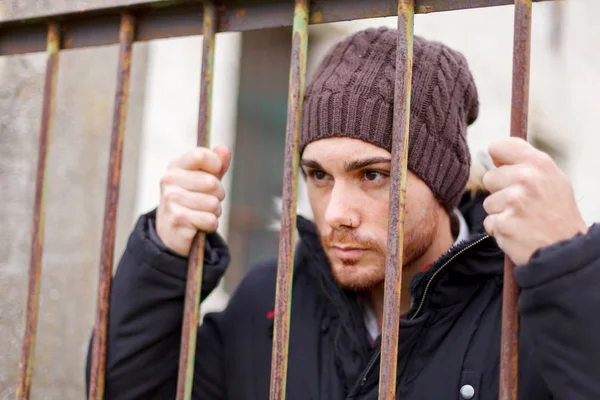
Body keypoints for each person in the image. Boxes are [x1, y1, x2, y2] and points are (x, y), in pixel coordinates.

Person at [85, 27, 600, 399]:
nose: (337, 213)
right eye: (319, 176)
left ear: (441, 181)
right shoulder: (271, 299)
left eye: (372, 175)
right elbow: (122, 390)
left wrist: (571, 268)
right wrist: (163, 256)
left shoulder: (524, 307)